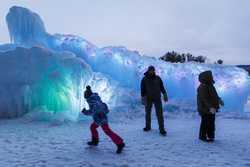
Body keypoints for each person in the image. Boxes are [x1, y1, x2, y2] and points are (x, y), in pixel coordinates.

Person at [82, 86, 125, 154]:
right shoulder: (95, 99)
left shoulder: (94, 102)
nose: (85, 98)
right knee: (93, 127)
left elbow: (93, 111)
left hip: (101, 119)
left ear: (87, 96)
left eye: (85, 96)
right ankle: (95, 141)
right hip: (99, 118)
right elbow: (103, 108)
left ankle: (120, 143)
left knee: (107, 131)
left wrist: (85, 112)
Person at [140, 65, 168, 136]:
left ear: (154, 71)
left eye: (153, 70)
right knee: (148, 113)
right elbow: (142, 89)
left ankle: (162, 129)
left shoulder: (158, 78)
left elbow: (162, 87)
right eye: (150, 70)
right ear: (148, 71)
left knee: (159, 114)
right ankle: (148, 127)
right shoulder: (144, 79)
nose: (152, 71)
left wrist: (164, 94)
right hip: (148, 98)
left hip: (157, 98)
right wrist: (143, 97)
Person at [197, 71, 224, 142]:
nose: (212, 77)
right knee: (205, 123)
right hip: (205, 109)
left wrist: (219, 100)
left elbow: (214, 95)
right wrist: (210, 107)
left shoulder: (210, 85)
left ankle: (210, 136)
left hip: (212, 108)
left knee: (211, 123)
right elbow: (205, 99)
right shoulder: (203, 87)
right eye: (211, 76)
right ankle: (202, 136)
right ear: (206, 77)